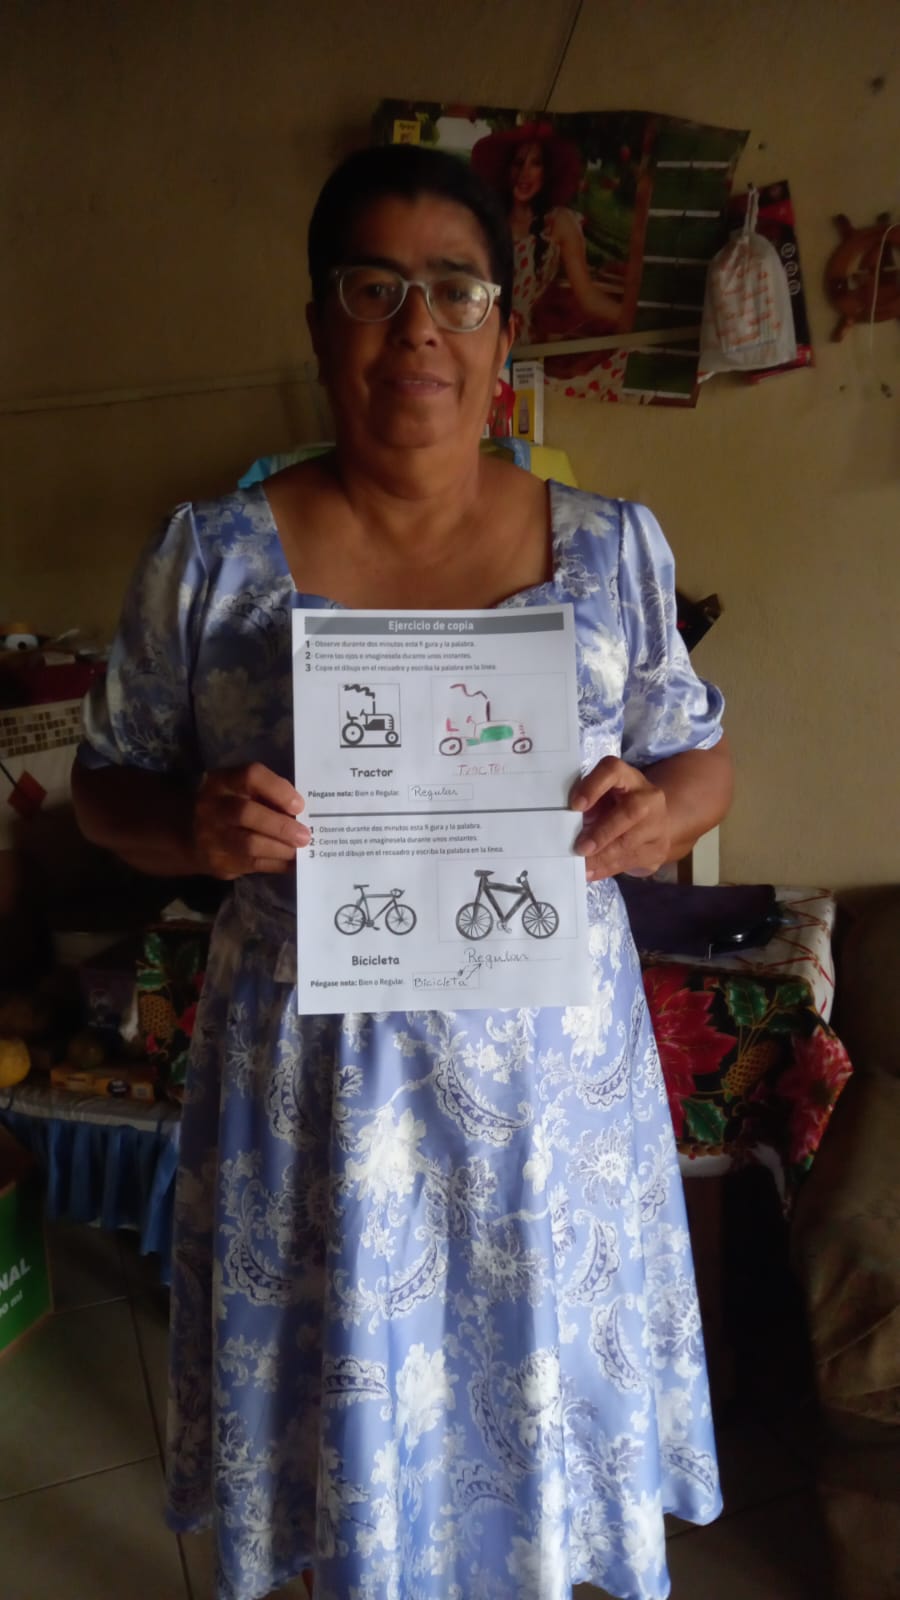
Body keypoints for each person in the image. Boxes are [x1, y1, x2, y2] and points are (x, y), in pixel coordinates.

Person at [72, 143, 733, 1600]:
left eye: (456, 290)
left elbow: (700, 759)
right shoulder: (213, 559)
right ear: (320, 322)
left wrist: (657, 816)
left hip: (548, 1096)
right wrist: (191, 831)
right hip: (316, 1092)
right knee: (345, 1428)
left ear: (503, 333)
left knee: (533, 1415)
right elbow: (102, 784)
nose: (416, 326)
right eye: (374, 288)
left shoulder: (610, 551)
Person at [470, 122, 625, 343]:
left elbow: (587, 296)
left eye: (536, 164)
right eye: (518, 163)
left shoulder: (559, 222)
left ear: (547, 172)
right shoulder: (489, 223)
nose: (524, 173)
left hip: (523, 343)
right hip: (480, 336)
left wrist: (633, 320)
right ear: (506, 170)